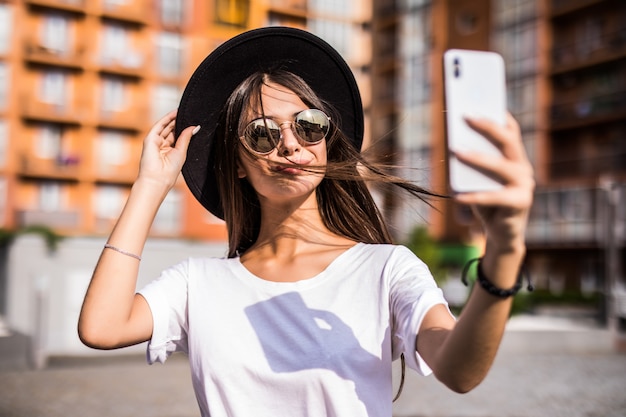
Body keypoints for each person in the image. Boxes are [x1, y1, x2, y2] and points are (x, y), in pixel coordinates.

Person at [78, 27, 534, 417]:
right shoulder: (198, 284)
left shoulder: (387, 270)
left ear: (326, 140)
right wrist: (151, 186)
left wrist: (506, 251)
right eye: (263, 132)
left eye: (309, 124)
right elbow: (102, 328)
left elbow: (458, 370)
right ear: (236, 161)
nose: (290, 145)